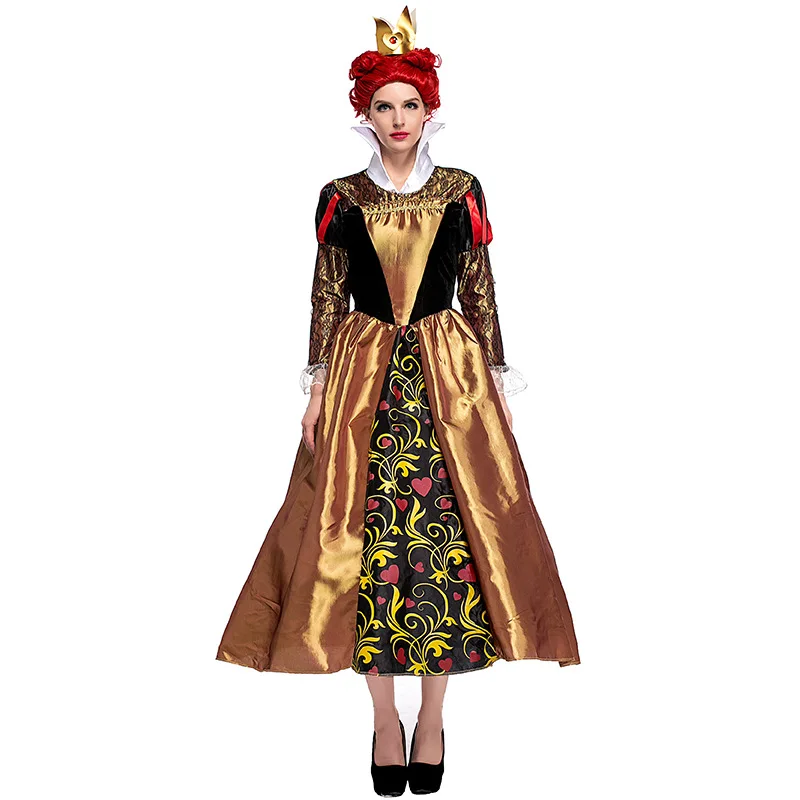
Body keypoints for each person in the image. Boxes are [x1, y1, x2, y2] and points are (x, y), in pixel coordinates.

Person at [216, 6, 580, 796]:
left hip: (447, 376)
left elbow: (479, 286)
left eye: (410, 104)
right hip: (364, 375)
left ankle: (434, 715)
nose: (398, 119)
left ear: (429, 109)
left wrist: (496, 379)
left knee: (445, 543)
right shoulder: (342, 196)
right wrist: (317, 386)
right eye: (383, 106)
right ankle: (385, 717)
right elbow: (326, 293)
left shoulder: (460, 189)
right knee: (369, 542)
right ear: (365, 114)